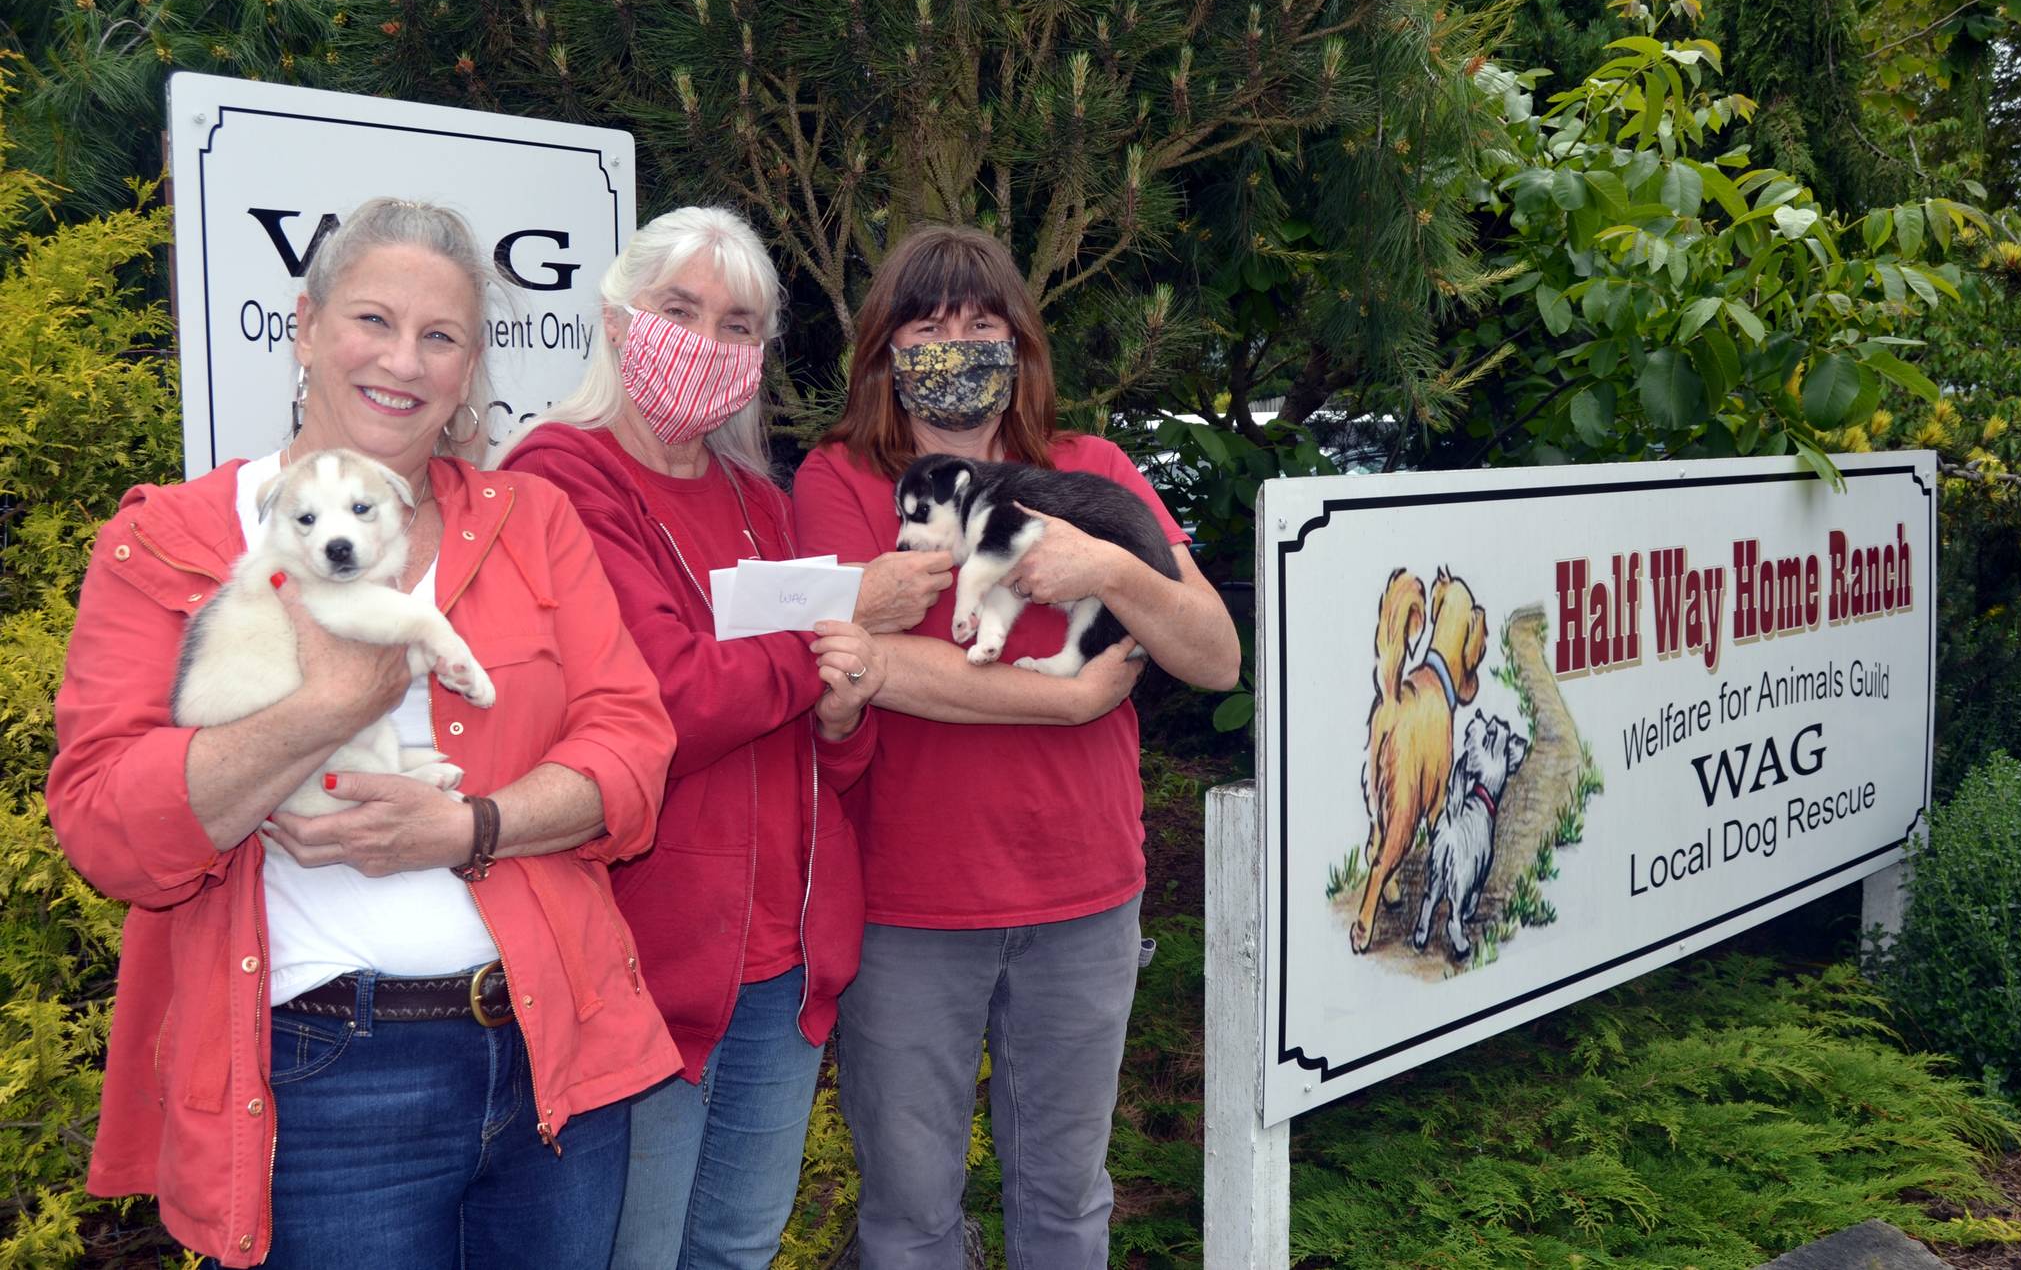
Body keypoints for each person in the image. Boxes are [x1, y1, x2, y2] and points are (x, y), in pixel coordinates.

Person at [45, 198, 681, 1269]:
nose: (404, 362)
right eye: (372, 322)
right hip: (325, 1076)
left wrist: (470, 825)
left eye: (441, 337)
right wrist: (328, 705)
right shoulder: (169, 539)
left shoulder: (530, 523)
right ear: (303, 325)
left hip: (553, 1054)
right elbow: (108, 830)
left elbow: (631, 752)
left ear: (472, 364)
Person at [791, 223, 1240, 1267]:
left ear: (1020, 345)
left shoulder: (1093, 468)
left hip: (1084, 899)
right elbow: (864, 664)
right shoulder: (844, 482)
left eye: (980, 324)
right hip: (910, 908)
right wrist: (1076, 698)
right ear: (883, 350)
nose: (955, 345)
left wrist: (1112, 571)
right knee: (909, 1217)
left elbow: (1212, 652)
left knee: (1065, 1202)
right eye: (928, 324)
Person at [496, 205, 881, 1270]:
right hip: (646, 962)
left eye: (737, 325)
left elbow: (818, 748)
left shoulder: (759, 500)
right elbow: (667, 701)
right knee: (641, 1257)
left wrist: (843, 712)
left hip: (785, 963)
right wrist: (834, 635)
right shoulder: (559, 477)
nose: (705, 342)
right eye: (680, 310)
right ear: (618, 320)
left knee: (735, 1252)